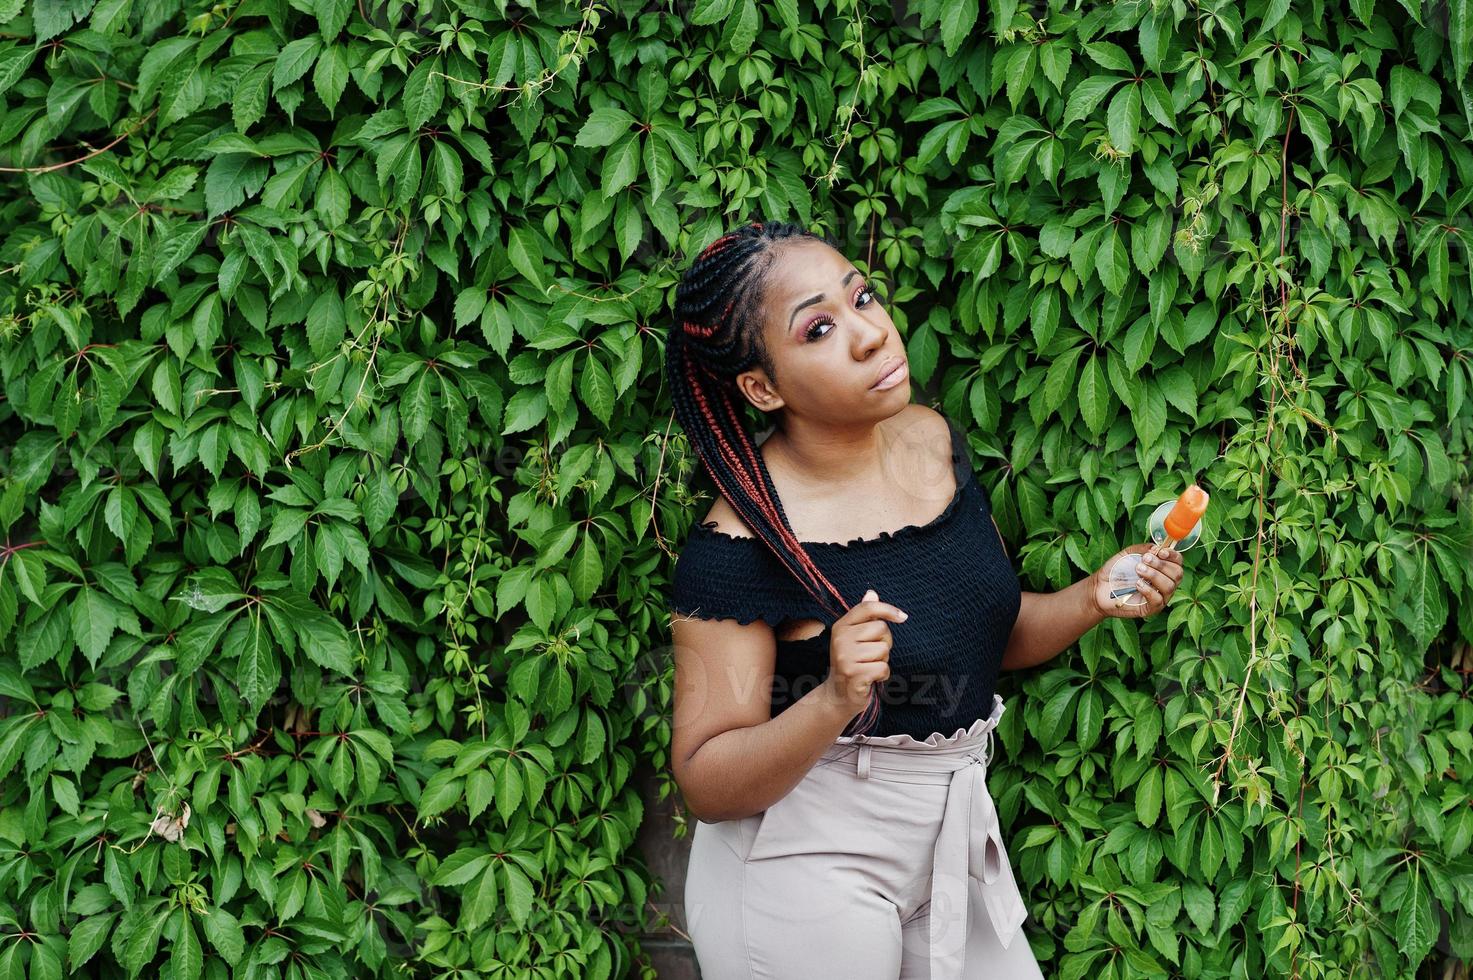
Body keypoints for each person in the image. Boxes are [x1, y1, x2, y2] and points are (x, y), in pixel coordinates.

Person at [663, 219, 1183, 979]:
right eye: (818, 329)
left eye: (862, 297)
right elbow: (705, 780)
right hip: (801, 866)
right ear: (761, 387)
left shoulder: (928, 440)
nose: (870, 334)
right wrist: (833, 696)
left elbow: (982, 639)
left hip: (948, 842)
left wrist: (1090, 597)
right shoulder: (738, 546)